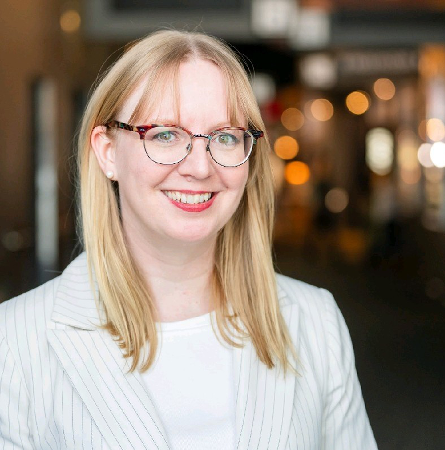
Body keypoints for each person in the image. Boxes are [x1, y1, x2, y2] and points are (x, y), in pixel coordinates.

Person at [0, 30, 377, 450]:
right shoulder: (14, 341)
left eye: (225, 136)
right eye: (165, 134)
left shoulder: (316, 322)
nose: (199, 167)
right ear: (107, 151)